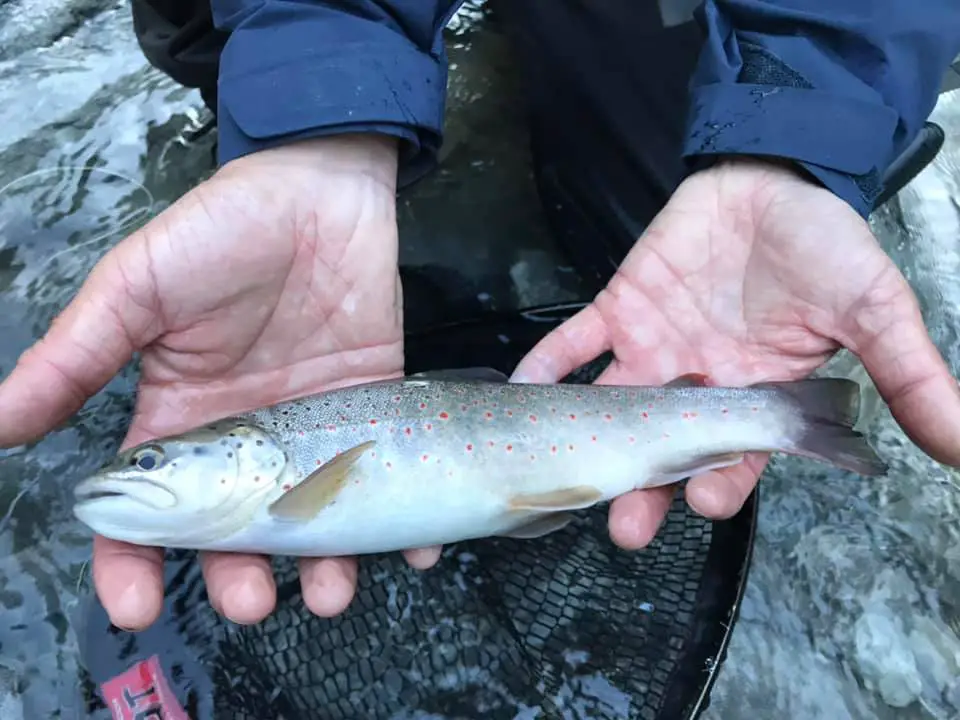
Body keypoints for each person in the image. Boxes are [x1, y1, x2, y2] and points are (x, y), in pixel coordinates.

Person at [0, 0, 958, 635]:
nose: (142, 469)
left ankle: (776, 391)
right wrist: (313, 122)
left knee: (649, 203)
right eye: (153, 465)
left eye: (156, 460)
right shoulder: (268, 491)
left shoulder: (280, 493)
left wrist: (795, 133)